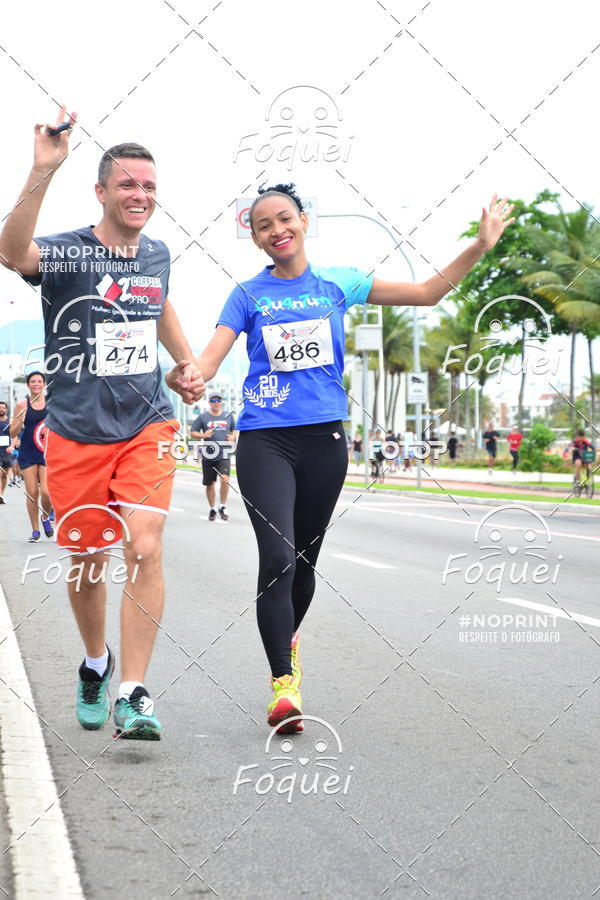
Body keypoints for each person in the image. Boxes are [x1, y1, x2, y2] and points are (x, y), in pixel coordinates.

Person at [196, 183, 514, 731]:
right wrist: (191, 375)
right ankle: (283, 685)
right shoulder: (246, 295)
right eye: (263, 225)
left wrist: (480, 246)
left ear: (303, 221)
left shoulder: (338, 283)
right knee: (276, 558)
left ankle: (287, 638)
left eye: (284, 219)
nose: (277, 230)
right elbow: (209, 358)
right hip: (265, 438)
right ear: (254, 237)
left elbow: (427, 292)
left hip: (325, 443)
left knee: (303, 565)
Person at [0, 107, 204, 741]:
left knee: (144, 544)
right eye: (127, 185)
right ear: (102, 192)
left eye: (148, 186)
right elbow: (11, 252)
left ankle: (134, 692)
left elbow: (158, 301)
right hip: (76, 430)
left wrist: (186, 362)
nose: (139, 195)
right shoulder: (67, 254)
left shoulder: (158, 254)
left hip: (147, 422)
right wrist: (41, 170)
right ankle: (95, 664)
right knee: (89, 560)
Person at [10, 371, 53, 540]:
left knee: (46, 493)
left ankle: (45, 518)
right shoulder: (22, 405)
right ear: (28, 385)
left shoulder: (51, 403)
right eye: (33, 381)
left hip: (47, 452)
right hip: (27, 452)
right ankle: (35, 530)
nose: (36, 384)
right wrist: (20, 420)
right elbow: (12, 432)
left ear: (44, 384)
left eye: (39, 381)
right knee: (32, 492)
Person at [190, 392, 236, 521]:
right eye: (213, 400)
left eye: (218, 400)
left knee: (225, 479)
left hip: (224, 453)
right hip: (209, 455)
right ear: (209, 402)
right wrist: (203, 435)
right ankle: (212, 509)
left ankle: (223, 506)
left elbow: (235, 428)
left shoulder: (228, 415)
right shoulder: (203, 417)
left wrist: (233, 437)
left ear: (221, 402)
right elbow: (192, 432)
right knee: (210, 484)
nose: (216, 403)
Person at [0, 401, 12, 503]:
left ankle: (1, 495)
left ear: (6, 410)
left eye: (3, 408)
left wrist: (12, 445)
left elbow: (15, 435)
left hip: (6, 451)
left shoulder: (10, 422)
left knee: (4, 475)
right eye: (0, 408)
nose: (1, 409)